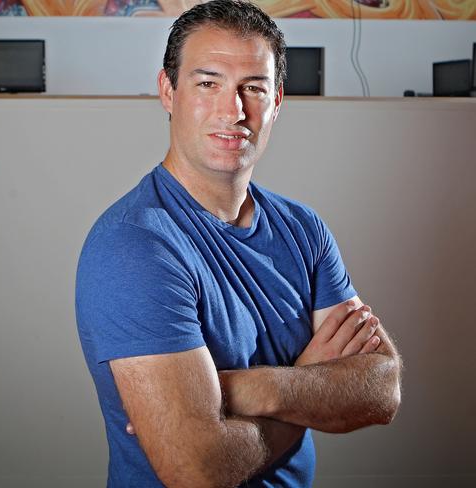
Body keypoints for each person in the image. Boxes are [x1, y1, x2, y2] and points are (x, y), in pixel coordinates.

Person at [75, 1, 402, 486]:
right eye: (208, 84)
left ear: (277, 101)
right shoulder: (135, 246)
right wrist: (308, 383)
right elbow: (197, 470)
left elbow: (381, 388)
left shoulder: (302, 229)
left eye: (253, 87)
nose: (234, 111)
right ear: (168, 91)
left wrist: (246, 388)